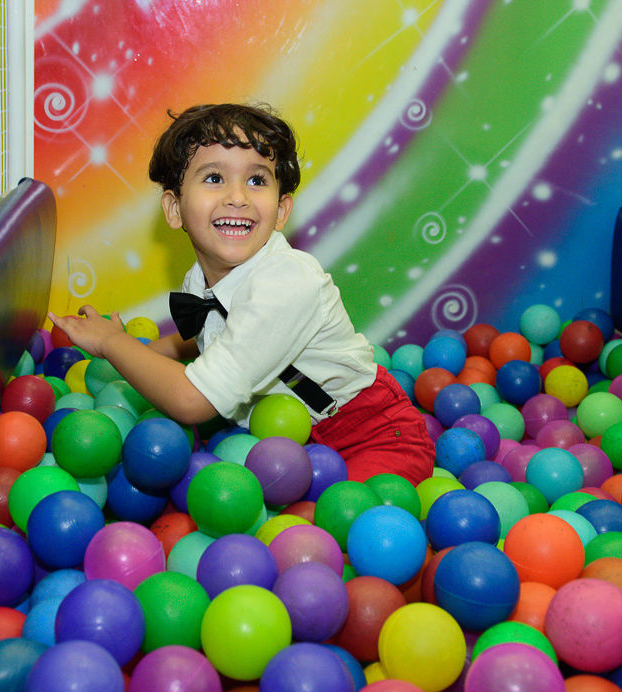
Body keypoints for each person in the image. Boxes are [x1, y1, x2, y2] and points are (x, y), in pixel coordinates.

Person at [47, 102, 435, 484]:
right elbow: (205, 338)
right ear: (174, 208)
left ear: (282, 211)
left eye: (257, 180)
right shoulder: (197, 282)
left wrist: (114, 345)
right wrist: (141, 354)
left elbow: (190, 401)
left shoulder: (286, 281)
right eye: (214, 178)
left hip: (370, 434)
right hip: (280, 441)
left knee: (320, 532)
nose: (238, 197)